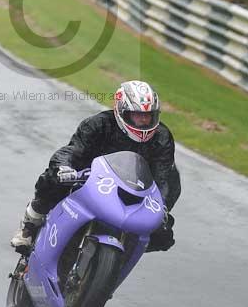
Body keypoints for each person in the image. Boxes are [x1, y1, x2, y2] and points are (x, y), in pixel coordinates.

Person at [11, 80, 181, 253]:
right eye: (138, 115)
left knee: (163, 236)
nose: (144, 121)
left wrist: (163, 206)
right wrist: (64, 168)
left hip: (134, 191)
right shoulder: (98, 124)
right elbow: (72, 151)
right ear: (122, 112)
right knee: (53, 180)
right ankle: (30, 226)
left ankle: (122, 257)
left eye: (149, 115)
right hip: (89, 182)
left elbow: (165, 176)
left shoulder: (162, 137)